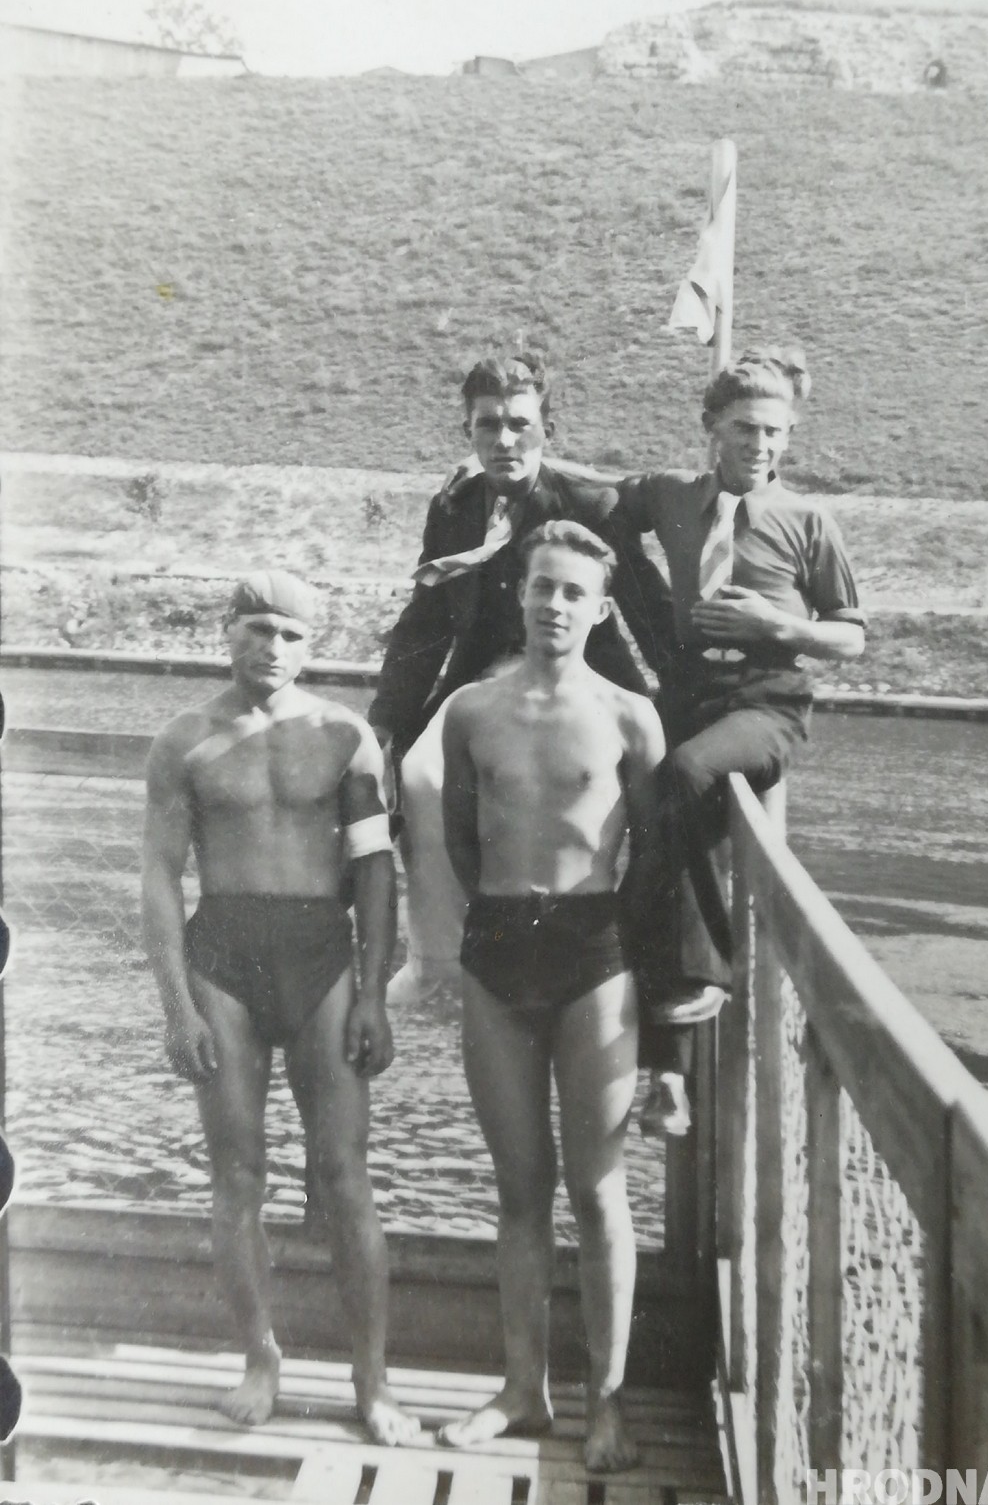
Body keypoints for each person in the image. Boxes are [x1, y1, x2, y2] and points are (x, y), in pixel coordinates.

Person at [141, 570, 419, 1445]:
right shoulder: (184, 740)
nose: (273, 647)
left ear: (313, 645)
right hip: (221, 949)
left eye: (292, 635)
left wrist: (375, 990)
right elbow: (158, 874)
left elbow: (375, 870)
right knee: (238, 1175)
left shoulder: (345, 736)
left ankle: (371, 1383)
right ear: (226, 630)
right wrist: (176, 1003)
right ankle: (260, 1355)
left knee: (345, 1174)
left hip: (320, 953)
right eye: (257, 628)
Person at [438, 520, 667, 1474]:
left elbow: (654, 858)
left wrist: (660, 1009)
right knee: (519, 1190)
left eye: (574, 591)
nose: (555, 605)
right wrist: (498, 911)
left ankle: (604, 1402)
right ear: (519, 592)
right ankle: (521, 1388)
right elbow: (458, 834)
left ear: (600, 607)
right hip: (497, 948)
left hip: (592, 952)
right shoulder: (469, 711)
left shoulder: (627, 715)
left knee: (597, 1186)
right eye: (542, 586)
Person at [368, 350, 672, 995]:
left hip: (582, 673)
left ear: (546, 432)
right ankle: (436, 957)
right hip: (481, 681)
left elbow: (646, 608)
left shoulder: (591, 503)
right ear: (469, 433)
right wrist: (387, 722)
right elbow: (425, 624)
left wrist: (683, 696)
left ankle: (614, 939)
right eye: (488, 426)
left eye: (519, 424)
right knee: (420, 774)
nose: (504, 440)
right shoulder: (454, 506)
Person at [613, 346, 866, 995]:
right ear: (711, 426)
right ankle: (626, 970)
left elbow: (850, 636)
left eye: (772, 431)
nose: (759, 444)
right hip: (687, 693)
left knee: (690, 768)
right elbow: (597, 498)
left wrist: (779, 627)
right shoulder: (671, 496)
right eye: (744, 428)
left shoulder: (807, 520)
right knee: (636, 804)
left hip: (767, 703)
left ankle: (703, 971)